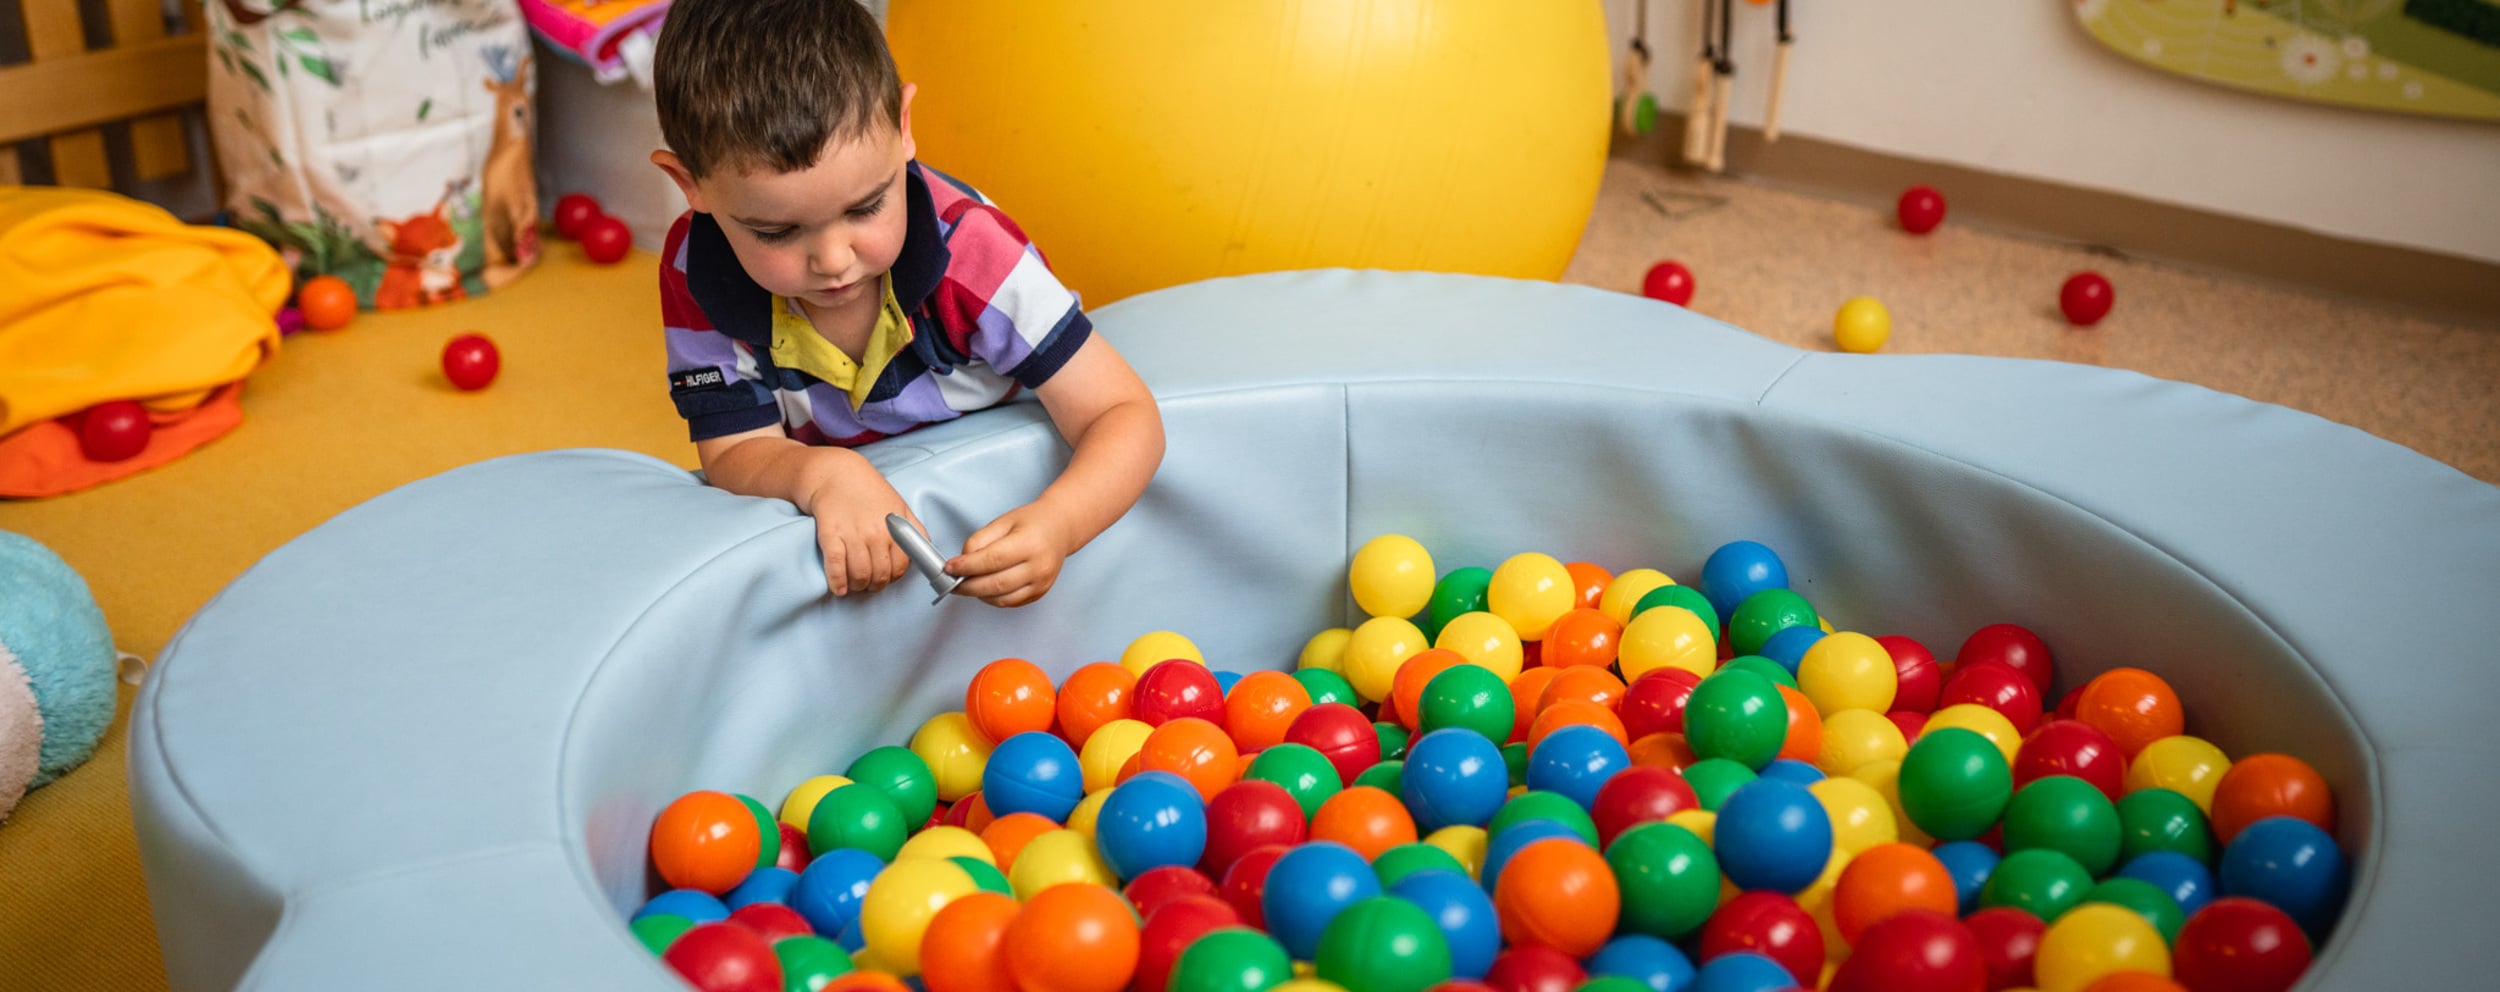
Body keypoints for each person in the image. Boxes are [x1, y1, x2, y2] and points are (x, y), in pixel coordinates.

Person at [647, 0, 1162, 607]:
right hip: (849, 514)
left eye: (866, 208)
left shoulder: (972, 255)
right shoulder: (696, 267)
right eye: (777, 233)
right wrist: (823, 474)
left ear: (903, 127)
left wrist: (1061, 522)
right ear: (690, 186)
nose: (834, 260)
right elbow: (732, 450)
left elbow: (1123, 412)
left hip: (999, 472)